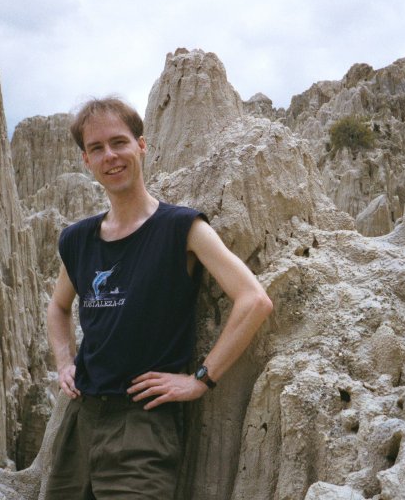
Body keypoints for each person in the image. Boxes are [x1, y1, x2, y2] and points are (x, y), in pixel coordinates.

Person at [44, 96, 273, 499]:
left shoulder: (181, 227)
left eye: (119, 142)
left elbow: (254, 300)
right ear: (85, 161)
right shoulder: (77, 239)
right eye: (96, 148)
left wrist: (201, 380)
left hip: (142, 425)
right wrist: (64, 362)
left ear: (142, 146)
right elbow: (59, 307)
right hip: (81, 421)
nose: (110, 156)